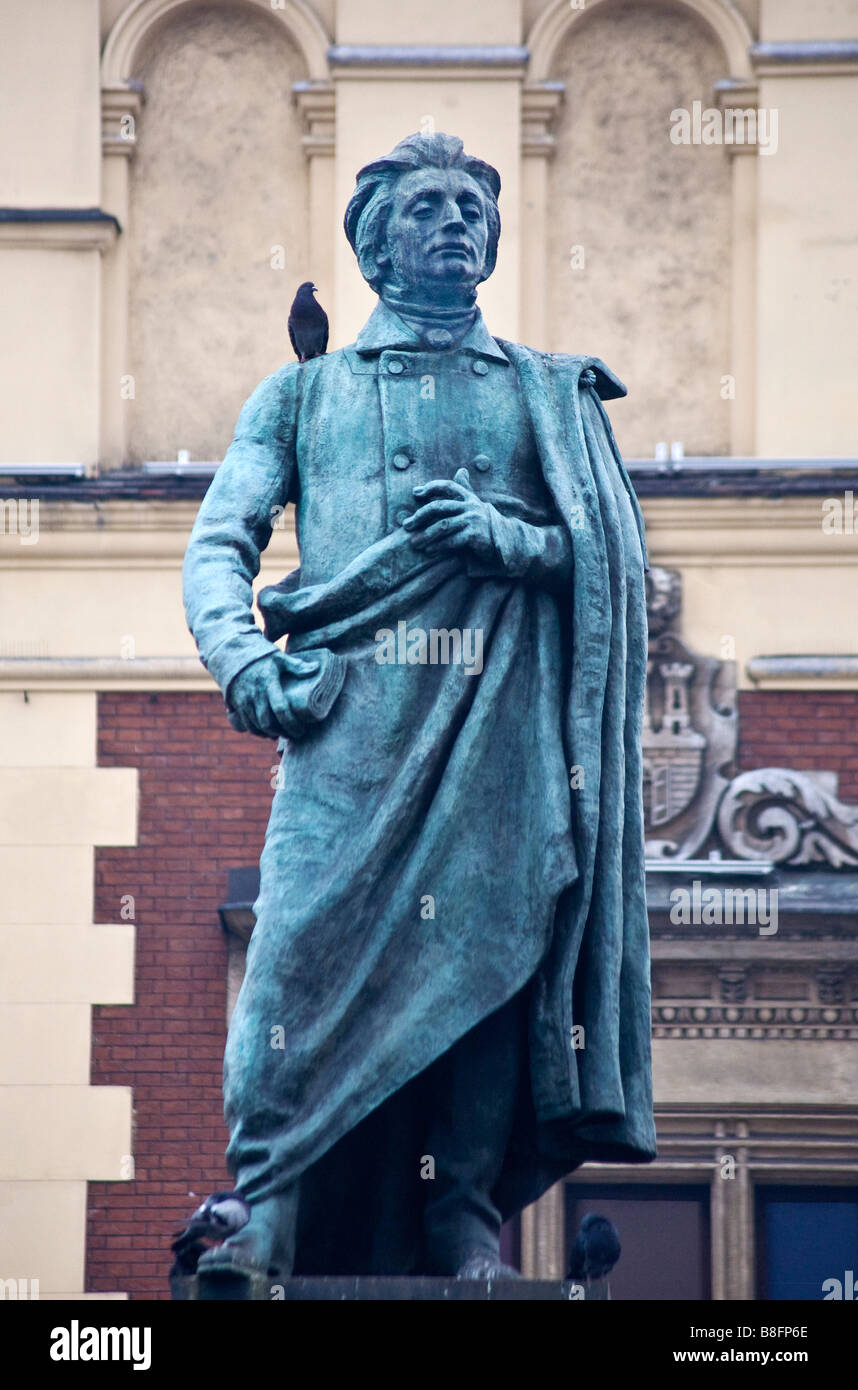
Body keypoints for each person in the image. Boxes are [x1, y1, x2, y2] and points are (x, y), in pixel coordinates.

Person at [182, 132, 656, 1284]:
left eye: (471, 207)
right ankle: (274, 1207)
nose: (455, 222)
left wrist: (514, 540)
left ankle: (464, 1221)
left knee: (490, 958)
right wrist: (243, 660)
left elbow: (616, 564)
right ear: (374, 242)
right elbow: (219, 541)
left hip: (499, 726)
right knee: (292, 956)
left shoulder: (549, 392)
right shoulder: (307, 393)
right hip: (346, 719)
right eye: (426, 206)